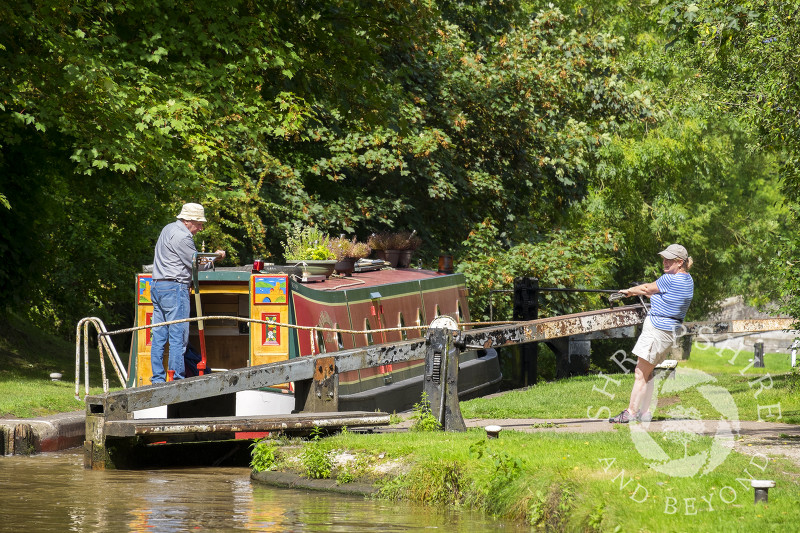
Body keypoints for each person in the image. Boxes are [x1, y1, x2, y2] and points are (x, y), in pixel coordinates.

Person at [609, 244, 694, 423]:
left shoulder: (669, 279)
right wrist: (644, 291)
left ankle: (630, 413)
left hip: (657, 329)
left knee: (640, 373)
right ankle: (645, 413)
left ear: (679, 262)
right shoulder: (688, 280)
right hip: (669, 331)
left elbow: (648, 289)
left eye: (669, 259)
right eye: (664, 258)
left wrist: (628, 292)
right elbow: (660, 294)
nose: (664, 262)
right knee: (648, 373)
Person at [150, 203, 225, 384]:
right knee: (178, 337)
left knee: (159, 336)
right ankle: (177, 380)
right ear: (188, 220)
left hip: (157, 286)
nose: (200, 228)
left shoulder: (168, 229)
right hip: (175, 288)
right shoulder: (183, 237)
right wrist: (216, 257)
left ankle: (158, 379)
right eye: (199, 223)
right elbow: (196, 264)